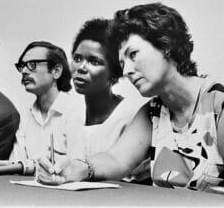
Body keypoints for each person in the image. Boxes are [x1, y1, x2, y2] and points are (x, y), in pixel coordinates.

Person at [36, 3, 224, 200]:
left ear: (166, 47)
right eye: (122, 63)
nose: (127, 70)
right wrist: (77, 168)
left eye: (133, 55)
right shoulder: (153, 112)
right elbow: (116, 159)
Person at [38, 18, 150, 183]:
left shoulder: (132, 117)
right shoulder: (71, 114)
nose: (81, 68)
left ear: (115, 71)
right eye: (77, 59)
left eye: (94, 61)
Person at [6, 41, 83, 170]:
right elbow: (19, 164)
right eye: (22, 66)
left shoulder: (77, 111)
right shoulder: (27, 115)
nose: (24, 71)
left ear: (56, 71)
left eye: (32, 65)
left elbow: (78, 167)